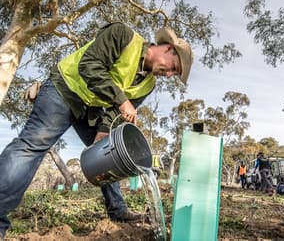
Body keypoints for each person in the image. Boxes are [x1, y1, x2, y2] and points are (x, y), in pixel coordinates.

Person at [0, 22, 193, 240]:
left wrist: (103, 131)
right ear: (168, 48)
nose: (169, 75)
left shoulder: (148, 84)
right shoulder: (123, 36)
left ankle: (118, 211)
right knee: (32, 147)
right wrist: (121, 100)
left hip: (89, 109)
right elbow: (89, 66)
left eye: (174, 75)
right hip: (63, 90)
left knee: (112, 152)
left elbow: (116, 113)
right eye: (174, 68)